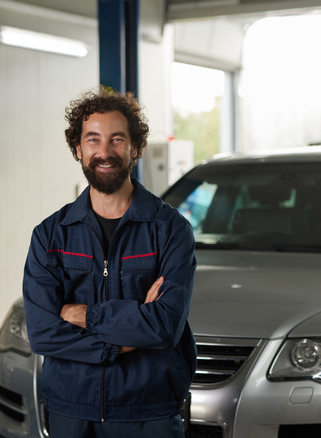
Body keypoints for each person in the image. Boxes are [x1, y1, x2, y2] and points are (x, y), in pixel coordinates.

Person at [22, 87, 197, 438]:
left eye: (117, 139)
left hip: (148, 409)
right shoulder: (51, 235)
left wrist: (81, 314)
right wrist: (127, 337)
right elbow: (42, 334)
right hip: (70, 410)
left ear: (137, 147)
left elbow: (164, 327)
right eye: (93, 140)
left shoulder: (169, 230)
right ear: (78, 149)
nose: (104, 152)